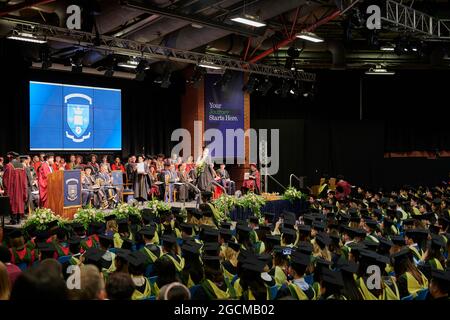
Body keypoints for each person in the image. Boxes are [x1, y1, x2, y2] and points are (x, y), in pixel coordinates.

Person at [2, 152, 27, 224]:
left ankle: (13, 220)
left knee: (13, 202)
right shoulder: (22, 166)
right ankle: (19, 219)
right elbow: (24, 180)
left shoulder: (9, 166)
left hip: (13, 189)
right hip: (21, 188)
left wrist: (6, 188)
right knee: (19, 202)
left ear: (10, 157)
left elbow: (6, 179)